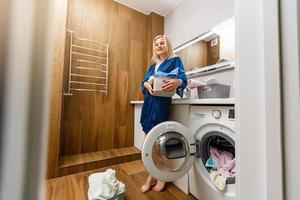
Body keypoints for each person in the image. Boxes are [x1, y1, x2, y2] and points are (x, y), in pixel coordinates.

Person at [140, 35, 187, 193]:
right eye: (156, 44)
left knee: (156, 143)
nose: (159, 46)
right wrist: (146, 85)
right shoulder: (153, 65)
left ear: (168, 46)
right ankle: (155, 174)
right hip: (148, 104)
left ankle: (156, 176)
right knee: (149, 142)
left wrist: (178, 82)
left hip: (161, 105)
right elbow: (144, 82)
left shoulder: (175, 60)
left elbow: (183, 79)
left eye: (162, 43)